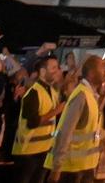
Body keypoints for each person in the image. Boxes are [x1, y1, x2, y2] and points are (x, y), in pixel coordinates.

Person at [49, 55, 105, 183]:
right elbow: (66, 132)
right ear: (91, 73)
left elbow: (90, 130)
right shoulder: (81, 96)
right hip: (71, 169)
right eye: (103, 67)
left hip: (83, 167)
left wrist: (98, 143)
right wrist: (57, 167)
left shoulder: (90, 96)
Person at [12, 52, 66, 182]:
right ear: (42, 71)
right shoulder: (33, 92)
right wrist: (55, 111)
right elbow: (32, 122)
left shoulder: (52, 91)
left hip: (44, 149)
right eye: (53, 68)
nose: (57, 71)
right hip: (28, 152)